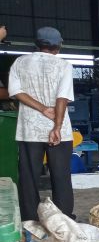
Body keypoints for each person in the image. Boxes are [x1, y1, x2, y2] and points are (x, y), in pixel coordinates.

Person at [8, 27, 75, 221]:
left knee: (28, 176)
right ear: (58, 45)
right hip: (58, 130)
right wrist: (56, 126)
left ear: (37, 43)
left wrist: (41, 108)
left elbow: (16, 91)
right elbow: (62, 97)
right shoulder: (63, 65)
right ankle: (63, 219)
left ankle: (29, 219)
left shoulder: (20, 62)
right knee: (61, 176)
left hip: (29, 129)